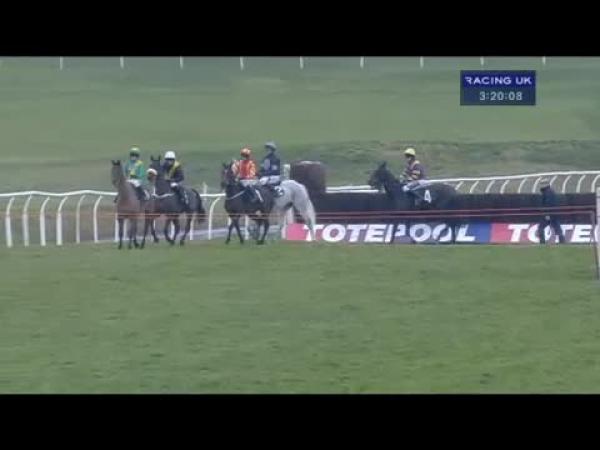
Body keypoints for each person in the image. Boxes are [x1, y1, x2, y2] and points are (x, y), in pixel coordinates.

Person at [538, 179, 565, 244]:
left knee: (541, 227)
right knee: (557, 227)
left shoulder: (547, 193)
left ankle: (542, 242)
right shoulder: (550, 191)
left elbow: (548, 204)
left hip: (549, 213)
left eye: (541, 184)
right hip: (553, 213)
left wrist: (547, 214)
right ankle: (562, 240)